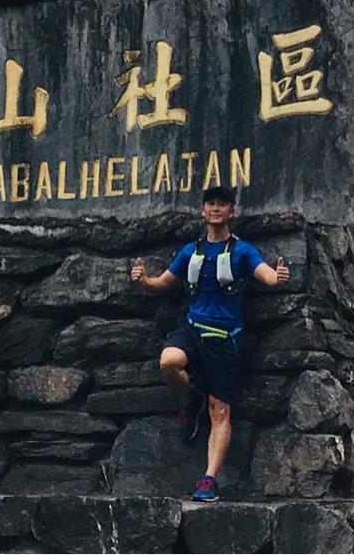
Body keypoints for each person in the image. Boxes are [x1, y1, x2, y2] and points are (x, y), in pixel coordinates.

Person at [130, 186, 289, 503]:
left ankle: (209, 479)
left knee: (220, 410)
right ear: (203, 211)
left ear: (231, 212)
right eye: (211, 204)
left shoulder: (242, 251)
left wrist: (278, 277)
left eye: (222, 204)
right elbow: (165, 282)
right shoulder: (191, 251)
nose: (216, 209)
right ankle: (191, 401)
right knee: (169, 361)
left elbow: (266, 275)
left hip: (225, 337)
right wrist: (143, 280)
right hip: (192, 328)